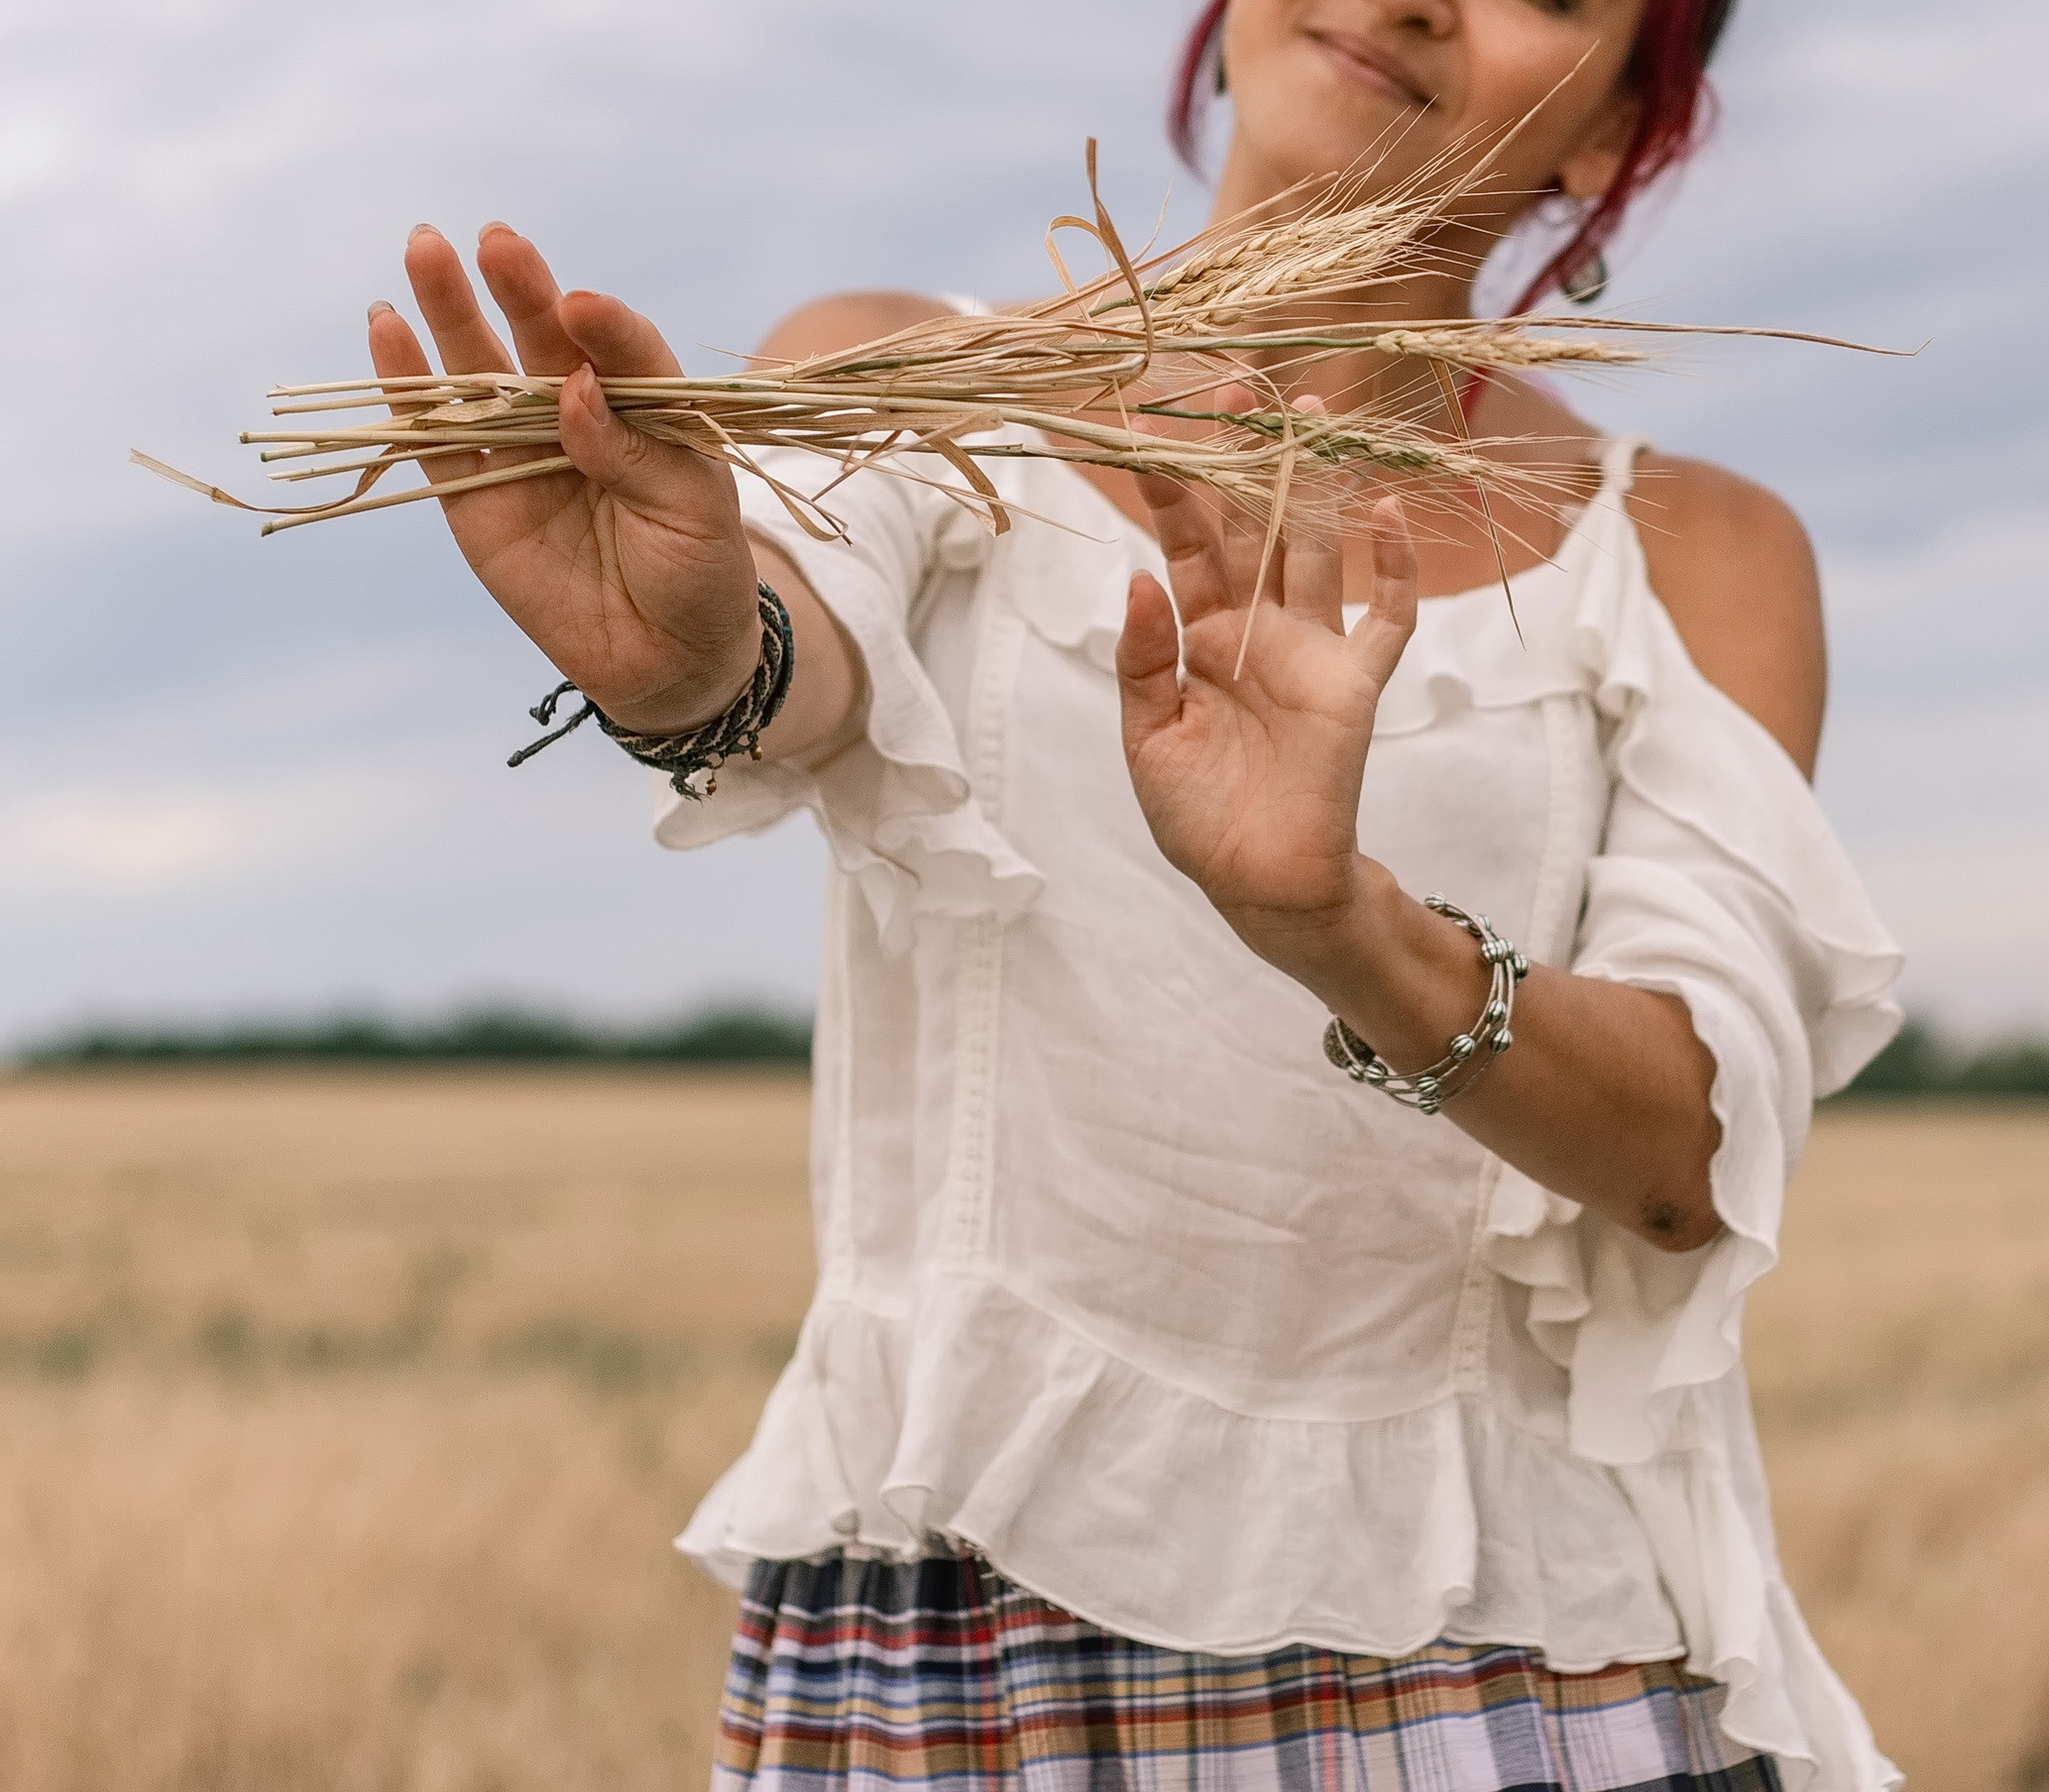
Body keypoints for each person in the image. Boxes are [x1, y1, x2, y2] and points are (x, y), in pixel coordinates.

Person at [367, 1, 1904, 1787]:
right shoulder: (902, 377)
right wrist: (691, 656)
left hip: (1513, 1661)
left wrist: (1342, 926)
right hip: (966, 1648)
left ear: (1615, 128)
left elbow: (1682, 1157)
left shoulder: (1692, 552)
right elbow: (794, 650)